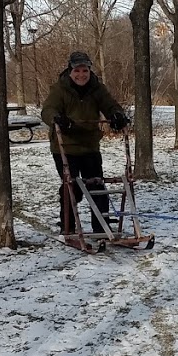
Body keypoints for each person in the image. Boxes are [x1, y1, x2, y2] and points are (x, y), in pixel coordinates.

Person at [40, 50, 130, 233]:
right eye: (77, 71)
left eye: (85, 71)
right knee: (72, 186)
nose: (81, 75)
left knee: (96, 185)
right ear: (70, 71)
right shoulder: (60, 89)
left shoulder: (97, 88)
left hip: (89, 145)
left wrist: (117, 115)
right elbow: (48, 110)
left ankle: (101, 227)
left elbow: (110, 104)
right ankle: (68, 226)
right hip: (65, 146)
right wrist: (57, 119)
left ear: (90, 71)